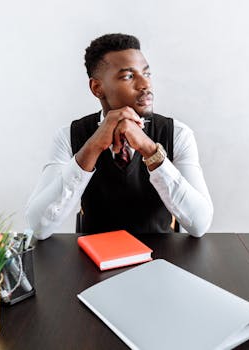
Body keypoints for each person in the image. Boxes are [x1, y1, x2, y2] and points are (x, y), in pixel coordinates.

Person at [25, 33, 213, 240]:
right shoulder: (68, 136)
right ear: (97, 88)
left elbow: (200, 224)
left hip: (160, 257)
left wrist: (150, 150)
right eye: (129, 76)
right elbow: (38, 228)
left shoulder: (178, 134)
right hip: (92, 261)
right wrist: (93, 146)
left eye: (147, 74)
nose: (145, 85)